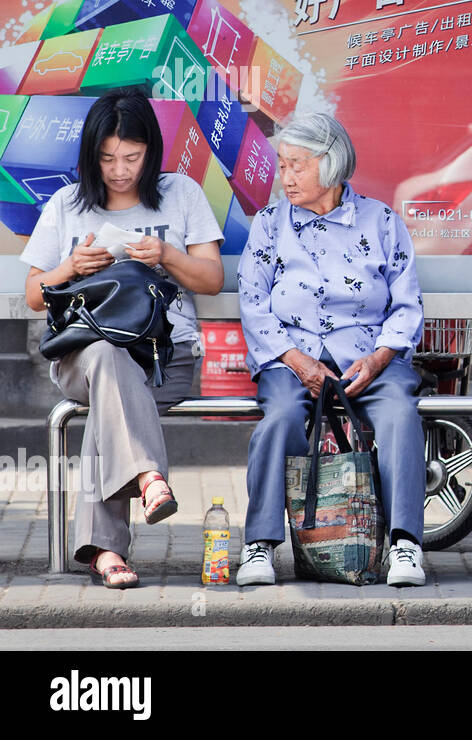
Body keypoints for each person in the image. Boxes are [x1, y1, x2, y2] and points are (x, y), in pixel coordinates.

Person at [22, 87, 224, 589]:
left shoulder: (182, 195)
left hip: (164, 359)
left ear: (151, 152)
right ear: (92, 156)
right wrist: (71, 267)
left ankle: (106, 551)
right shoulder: (68, 204)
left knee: (108, 406)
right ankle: (149, 477)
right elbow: (32, 294)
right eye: (108, 158)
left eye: (131, 157)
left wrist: (166, 257)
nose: (119, 170)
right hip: (79, 361)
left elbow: (212, 279)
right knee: (106, 356)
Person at [236, 112, 427, 587]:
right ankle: (259, 546)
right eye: (282, 165)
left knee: (401, 412)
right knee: (280, 419)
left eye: (297, 165)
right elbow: (254, 303)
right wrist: (297, 362)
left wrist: (380, 357)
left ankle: (405, 545)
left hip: (369, 358)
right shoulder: (270, 223)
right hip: (290, 357)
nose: (287, 177)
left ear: (332, 163)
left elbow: (406, 306)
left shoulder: (381, 221)